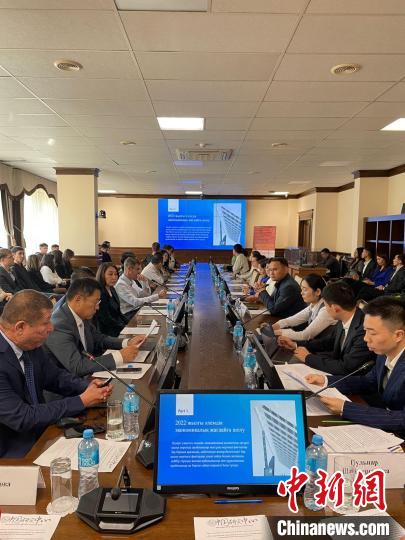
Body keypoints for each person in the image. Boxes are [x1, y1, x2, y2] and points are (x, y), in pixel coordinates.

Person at [0, 290, 113, 458]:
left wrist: (88, 387)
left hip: (43, 431)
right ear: (20, 327)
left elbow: (55, 377)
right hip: (13, 453)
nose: (51, 328)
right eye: (46, 323)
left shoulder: (29, 344)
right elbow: (22, 417)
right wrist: (81, 400)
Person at [305, 296, 405, 435]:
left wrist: (345, 408)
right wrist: (325, 380)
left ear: (398, 335)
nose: (365, 338)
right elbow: (368, 381)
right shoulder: (383, 353)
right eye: (365, 331)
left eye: (372, 333)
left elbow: (402, 419)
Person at [45, 278, 145, 378]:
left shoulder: (81, 314)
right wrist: (119, 357)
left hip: (88, 375)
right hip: (70, 383)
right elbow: (77, 366)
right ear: (78, 299)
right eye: (96, 302)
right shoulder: (58, 326)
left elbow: (99, 339)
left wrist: (127, 342)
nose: (97, 307)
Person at [286, 280, 375, 375]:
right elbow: (328, 342)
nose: (325, 309)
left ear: (335, 308)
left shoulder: (364, 330)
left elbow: (345, 368)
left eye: (325, 305)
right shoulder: (344, 317)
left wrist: (308, 358)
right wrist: (296, 344)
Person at [271, 273, 337, 341]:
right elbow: (291, 320)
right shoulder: (313, 305)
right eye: (301, 289)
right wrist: (272, 327)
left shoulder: (325, 310)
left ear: (317, 292)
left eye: (305, 290)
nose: (301, 293)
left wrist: (278, 332)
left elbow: (304, 336)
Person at [116, 257, 166, 321]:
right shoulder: (120, 284)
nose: (139, 272)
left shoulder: (132, 281)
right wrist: (157, 296)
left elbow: (146, 295)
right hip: (129, 315)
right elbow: (135, 302)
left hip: (137, 310)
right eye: (137, 269)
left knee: (161, 312)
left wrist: (144, 282)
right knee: (157, 319)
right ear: (129, 269)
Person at [95, 262, 128, 337]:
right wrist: (124, 327)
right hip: (107, 332)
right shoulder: (99, 293)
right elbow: (106, 319)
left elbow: (119, 312)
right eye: (110, 274)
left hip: (117, 326)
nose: (114, 277)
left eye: (116, 274)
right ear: (102, 275)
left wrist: (129, 323)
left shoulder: (112, 288)